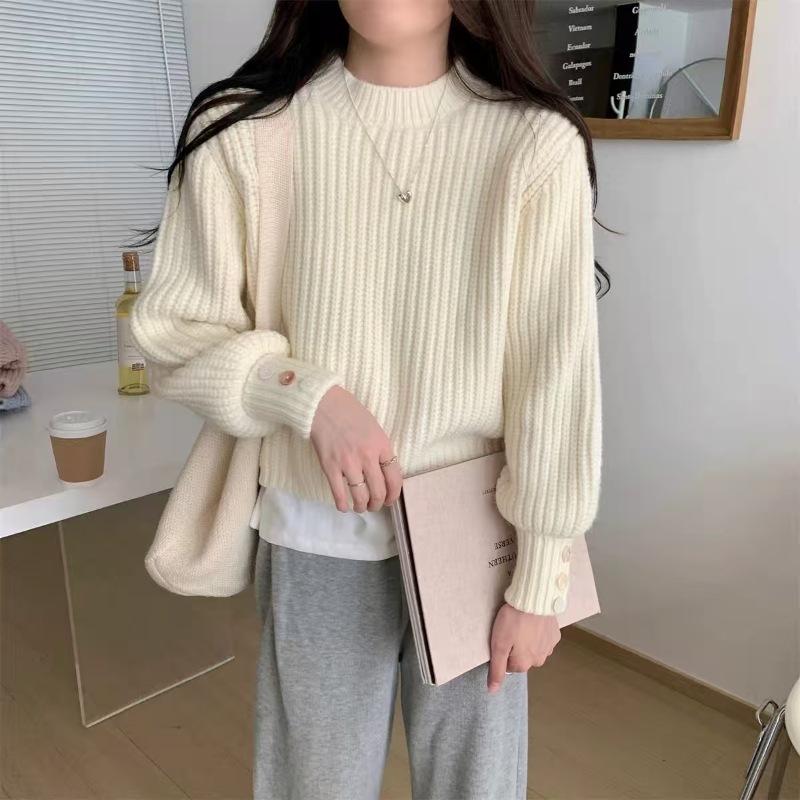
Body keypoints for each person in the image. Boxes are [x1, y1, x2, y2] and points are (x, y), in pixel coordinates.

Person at [131, 1, 602, 797]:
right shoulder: (246, 132)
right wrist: (307, 396)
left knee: (476, 789)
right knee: (313, 786)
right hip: (316, 529)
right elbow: (174, 331)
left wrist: (540, 580)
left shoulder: (532, 145)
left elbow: (556, 379)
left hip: (476, 538)